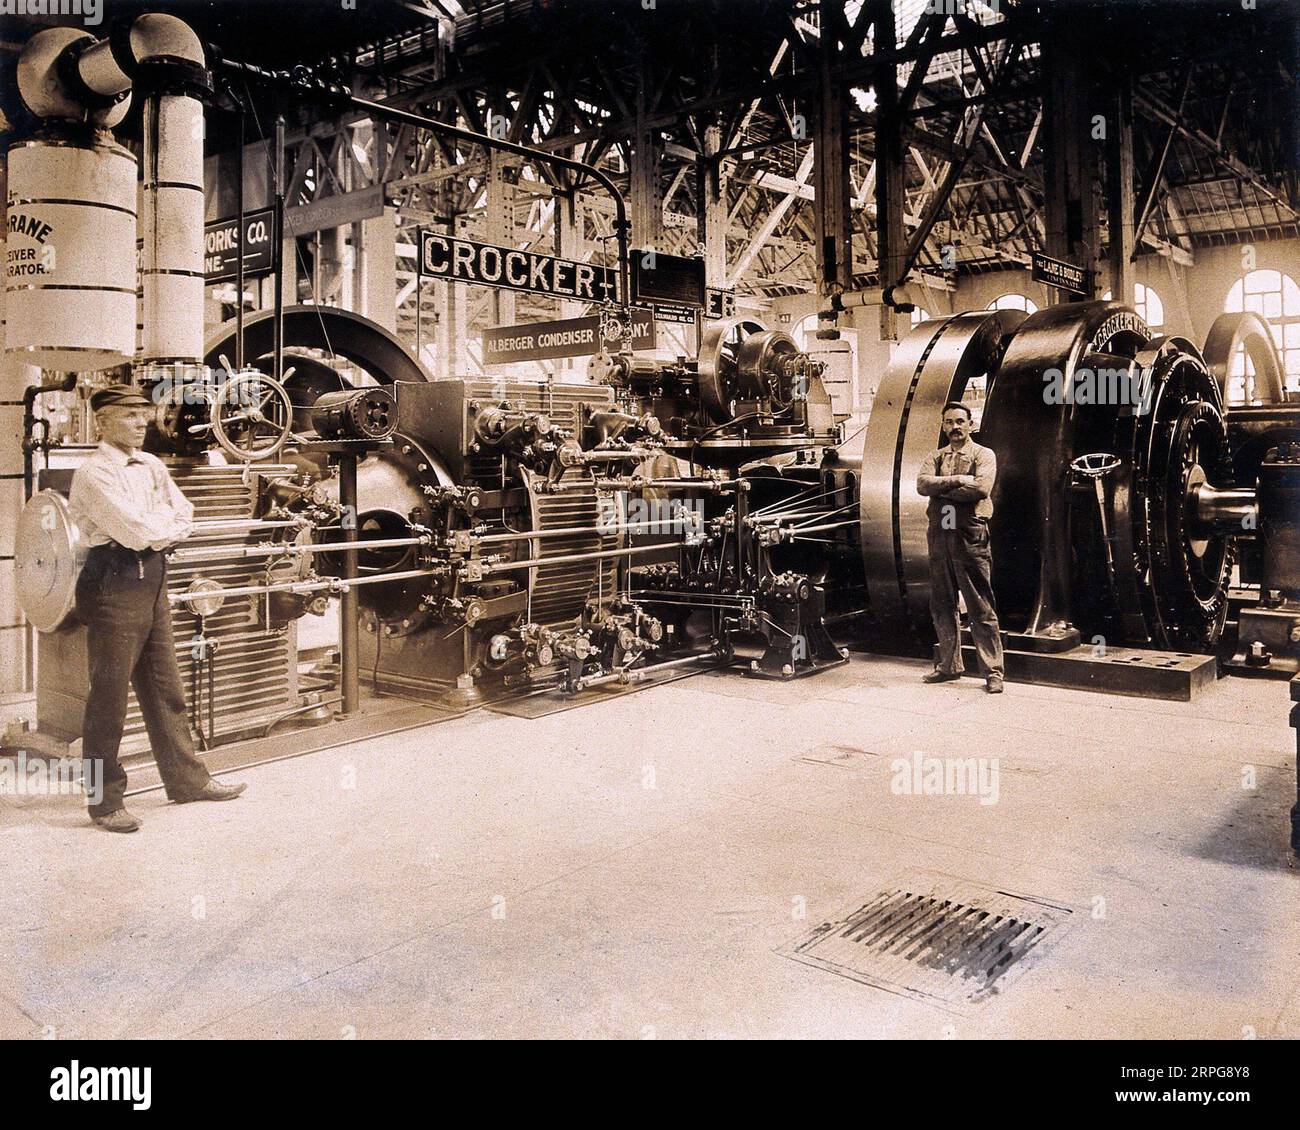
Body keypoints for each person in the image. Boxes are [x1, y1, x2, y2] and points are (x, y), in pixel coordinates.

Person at [69, 386, 246, 832]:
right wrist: (162, 530)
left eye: (143, 415)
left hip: (153, 575)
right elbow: (132, 531)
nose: (141, 423)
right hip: (113, 578)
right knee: (108, 698)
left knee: (166, 686)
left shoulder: (150, 464)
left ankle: (187, 781)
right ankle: (104, 802)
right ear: (102, 422)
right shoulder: (93, 474)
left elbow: (184, 511)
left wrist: (160, 530)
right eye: (129, 416)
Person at [915, 401, 1005, 694]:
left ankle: (993, 672)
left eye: (960, 421)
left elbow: (980, 489)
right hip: (940, 535)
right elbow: (921, 485)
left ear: (970, 424)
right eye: (949, 422)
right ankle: (948, 666)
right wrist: (956, 481)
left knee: (980, 605)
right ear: (943, 426)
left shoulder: (983, 455)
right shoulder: (935, 456)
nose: (955, 427)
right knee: (942, 603)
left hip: (969, 535)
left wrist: (941, 489)